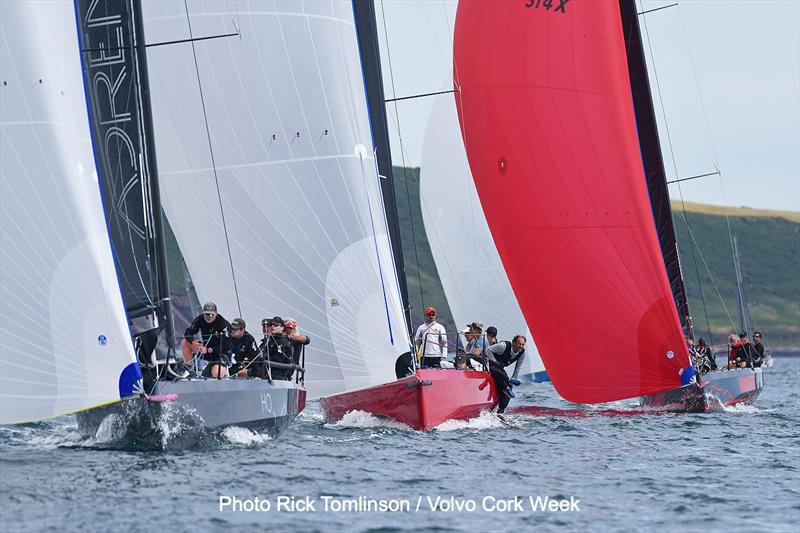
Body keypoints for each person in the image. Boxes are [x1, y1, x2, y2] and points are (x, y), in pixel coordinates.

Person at [182, 302, 230, 377]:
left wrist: (208, 349)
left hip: (219, 354)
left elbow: (227, 347)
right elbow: (187, 333)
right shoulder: (200, 319)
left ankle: (223, 372)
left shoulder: (224, 324)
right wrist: (193, 341)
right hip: (204, 350)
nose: (209, 316)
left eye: (212, 314)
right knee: (185, 342)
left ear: (216, 314)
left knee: (216, 373)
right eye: (207, 314)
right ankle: (190, 369)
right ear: (203, 313)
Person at [486, 335, 528, 413]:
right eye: (519, 344)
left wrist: (513, 379)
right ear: (514, 343)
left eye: (523, 344)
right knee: (501, 376)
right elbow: (488, 350)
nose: (521, 346)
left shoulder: (522, 352)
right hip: (489, 365)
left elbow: (517, 368)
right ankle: (505, 387)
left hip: (500, 369)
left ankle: (501, 411)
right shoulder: (503, 346)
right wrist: (495, 362)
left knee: (508, 386)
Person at [258, 316, 294, 380]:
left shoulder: (282, 342)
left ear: (282, 327)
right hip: (267, 372)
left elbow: (277, 360)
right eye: (271, 324)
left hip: (277, 376)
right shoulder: (270, 341)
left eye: (276, 325)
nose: (272, 326)